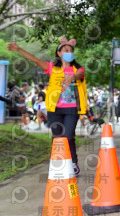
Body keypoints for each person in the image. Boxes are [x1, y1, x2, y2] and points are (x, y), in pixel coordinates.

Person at [8, 38, 88, 174]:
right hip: (54, 109)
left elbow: (80, 74)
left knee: (68, 136)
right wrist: (18, 49)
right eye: (65, 50)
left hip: (72, 108)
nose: (69, 52)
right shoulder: (52, 68)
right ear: (59, 53)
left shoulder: (77, 69)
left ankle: (74, 162)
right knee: (57, 138)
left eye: (71, 50)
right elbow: (35, 60)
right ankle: (59, 163)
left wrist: (71, 77)